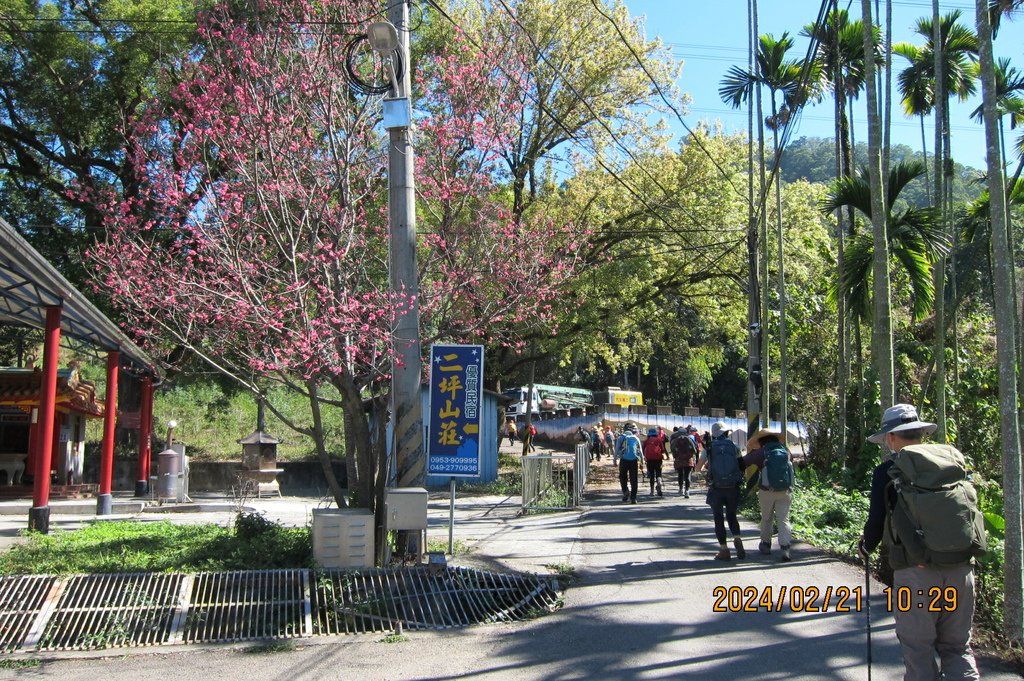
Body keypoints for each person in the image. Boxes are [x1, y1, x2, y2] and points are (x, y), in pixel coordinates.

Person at [858, 404, 982, 681]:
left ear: (890, 437)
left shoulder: (888, 471)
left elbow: (877, 521)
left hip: (916, 574)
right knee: (957, 647)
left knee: (918, 649)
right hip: (961, 569)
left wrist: (866, 546)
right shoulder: (950, 462)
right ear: (921, 433)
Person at [694, 421, 746, 560]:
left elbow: (698, 468)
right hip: (732, 487)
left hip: (716, 487)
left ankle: (724, 549)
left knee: (718, 518)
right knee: (732, 515)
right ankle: (737, 537)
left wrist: (703, 471)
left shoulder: (709, 448)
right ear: (726, 433)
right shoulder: (734, 446)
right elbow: (742, 465)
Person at [742, 429, 794, 561]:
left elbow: (742, 462)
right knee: (784, 519)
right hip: (785, 491)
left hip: (766, 491)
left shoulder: (761, 452)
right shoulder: (786, 451)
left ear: (761, 441)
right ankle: (785, 548)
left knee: (766, 518)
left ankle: (766, 544)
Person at [615, 423, 644, 504]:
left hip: (623, 460)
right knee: (634, 479)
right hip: (634, 461)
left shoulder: (621, 437)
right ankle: (633, 497)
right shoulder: (635, 438)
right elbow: (640, 451)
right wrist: (642, 462)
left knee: (622, 476)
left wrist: (614, 460)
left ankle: (625, 491)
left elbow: (616, 450)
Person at [670, 426, 699, 497]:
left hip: (679, 459)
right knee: (687, 475)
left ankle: (681, 489)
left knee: (680, 474)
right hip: (688, 459)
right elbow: (695, 450)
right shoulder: (689, 439)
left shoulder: (675, 440)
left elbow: (672, 450)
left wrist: (675, 456)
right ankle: (687, 491)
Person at [642, 427, 666, 497]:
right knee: (658, 473)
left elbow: (643, 450)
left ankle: (652, 491)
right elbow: (663, 450)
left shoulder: (646, 441)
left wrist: (645, 457)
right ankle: (659, 481)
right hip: (658, 459)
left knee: (651, 475)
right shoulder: (659, 440)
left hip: (649, 459)